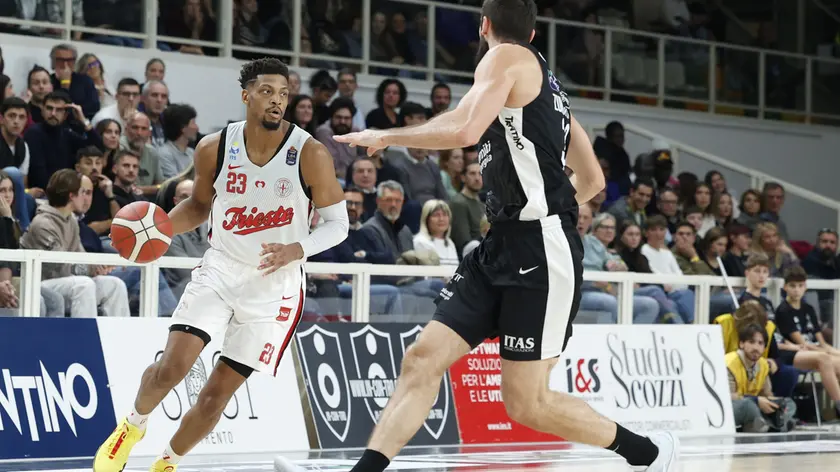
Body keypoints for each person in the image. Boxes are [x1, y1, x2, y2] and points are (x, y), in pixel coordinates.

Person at [328, 1, 678, 471]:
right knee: (422, 358)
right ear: (534, 33)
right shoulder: (550, 95)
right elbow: (592, 181)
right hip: (501, 247)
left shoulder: (503, 57)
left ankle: (649, 454)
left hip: (541, 249)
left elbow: (465, 127)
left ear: (485, 25)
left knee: (526, 405)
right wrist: (544, 199)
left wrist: (389, 136)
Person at [92, 57, 349, 472]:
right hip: (222, 267)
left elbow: (339, 225)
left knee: (215, 397)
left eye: (283, 93)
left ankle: (166, 464)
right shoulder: (215, 146)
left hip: (275, 286)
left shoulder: (311, 153)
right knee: (172, 368)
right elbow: (197, 207)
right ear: (246, 95)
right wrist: (152, 232)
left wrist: (297, 249)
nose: (276, 101)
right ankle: (132, 426)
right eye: (267, 92)